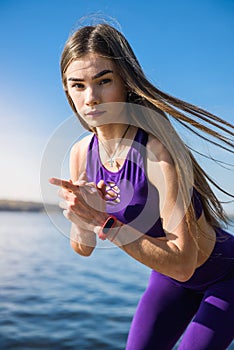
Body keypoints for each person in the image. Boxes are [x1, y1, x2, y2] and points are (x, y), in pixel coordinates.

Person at [49, 23, 234, 349]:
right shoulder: (82, 151)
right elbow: (84, 247)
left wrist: (105, 221)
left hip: (226, 277)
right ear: (67, 92)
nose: (90, 98)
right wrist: (83, 217)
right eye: (77, 86)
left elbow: (183, 262)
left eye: (103, 81)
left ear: (125, 82)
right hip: (169, 280)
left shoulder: (158, 153)